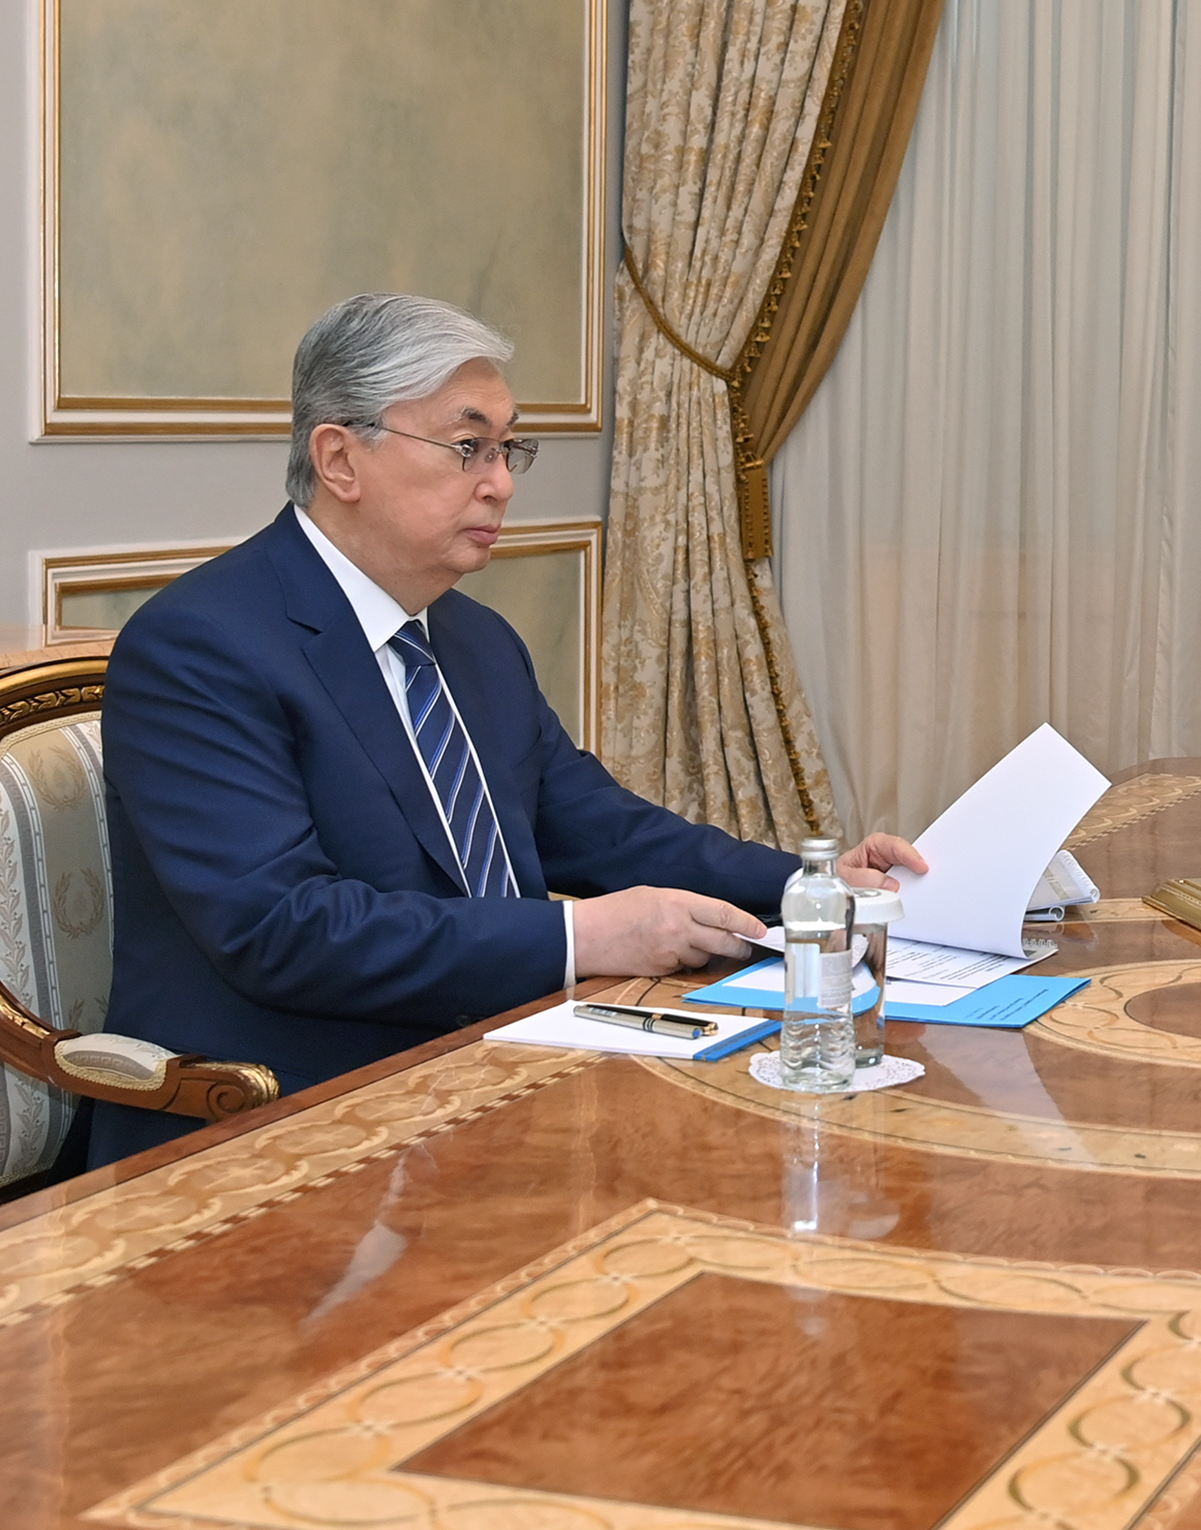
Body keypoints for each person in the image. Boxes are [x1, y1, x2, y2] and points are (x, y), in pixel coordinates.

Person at [91, 293, 922, 1166]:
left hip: (498, 1065)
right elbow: (282, 930)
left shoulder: (474, 638)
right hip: (284, 1113)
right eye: (467, 447)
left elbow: (600, 828)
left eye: (506, 448)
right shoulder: (201, 645)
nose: (501, 483)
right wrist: (583, 937)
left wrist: (811, 886)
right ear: (339, 459)